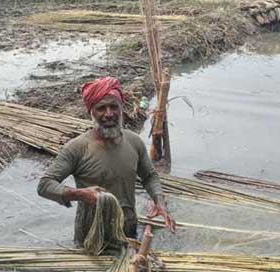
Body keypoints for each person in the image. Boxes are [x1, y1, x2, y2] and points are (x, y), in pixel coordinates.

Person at [37, 76, 176, 247]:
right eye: (101, 108)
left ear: (121, 108)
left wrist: (159, 202)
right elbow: (44, 185)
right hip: (92, 235)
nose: (109, 113)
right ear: (91, 112)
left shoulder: (134, 141)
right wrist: (80, 194)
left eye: (114, 107)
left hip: (128, 229)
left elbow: (149, 176)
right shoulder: (77, 148)